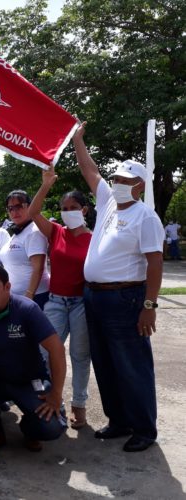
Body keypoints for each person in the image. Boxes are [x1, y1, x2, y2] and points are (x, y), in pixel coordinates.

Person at [73, 122, 164, 452]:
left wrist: (149, 307)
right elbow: (88, 169)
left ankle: (143, 428)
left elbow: (155, 263)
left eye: (125, 181)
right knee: (105, 362)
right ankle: (119, 420)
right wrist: (79, 140)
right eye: (115, 180)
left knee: (132, 364)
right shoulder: (108, 202)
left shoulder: (145, 217)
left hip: (125, 298)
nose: (117, 184)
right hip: (95, 295)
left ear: (139, 186)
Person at [0, 265, 67, 458]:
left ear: (7, 287)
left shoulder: (27, 309)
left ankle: (30, 429)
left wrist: (56, 394)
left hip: (29, 380)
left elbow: (57, 350)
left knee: (51, 428)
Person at [28, 166, 92, 429]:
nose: (68, 212)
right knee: (44, 353)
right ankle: (53, 399)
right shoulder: (56, 231)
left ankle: (79, 404)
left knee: (79, 355)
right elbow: (32, 213)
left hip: (81, 304)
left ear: (85, 210)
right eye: (64, 208)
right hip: (55, 301)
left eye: (73, 207)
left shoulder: (96, 238)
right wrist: (46, 185)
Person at [0, 190, 50, 309]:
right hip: (17, 297)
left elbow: (38, 268)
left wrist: (29, 295)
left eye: (19, 206)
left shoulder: (34, 231)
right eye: (10, 208)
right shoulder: (18, 233)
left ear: (30, 206)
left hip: (35, 297)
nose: (14, 211)